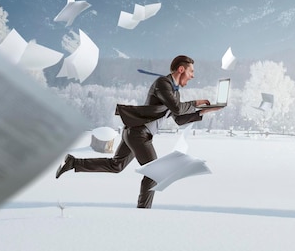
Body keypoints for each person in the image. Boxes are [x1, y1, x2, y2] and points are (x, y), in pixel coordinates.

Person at [55, 55, 221, 208]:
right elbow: (177, 109)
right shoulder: (162, 83)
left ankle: (73, 162)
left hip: (134, 132)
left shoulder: (174, 92)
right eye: (191, 71)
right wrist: (196, 102)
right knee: (154, 173)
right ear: (181, 69)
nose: (193, 76)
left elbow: (178, 118)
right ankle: (142, 213)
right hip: (138, 134)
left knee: (116, 165)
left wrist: (201, 112)